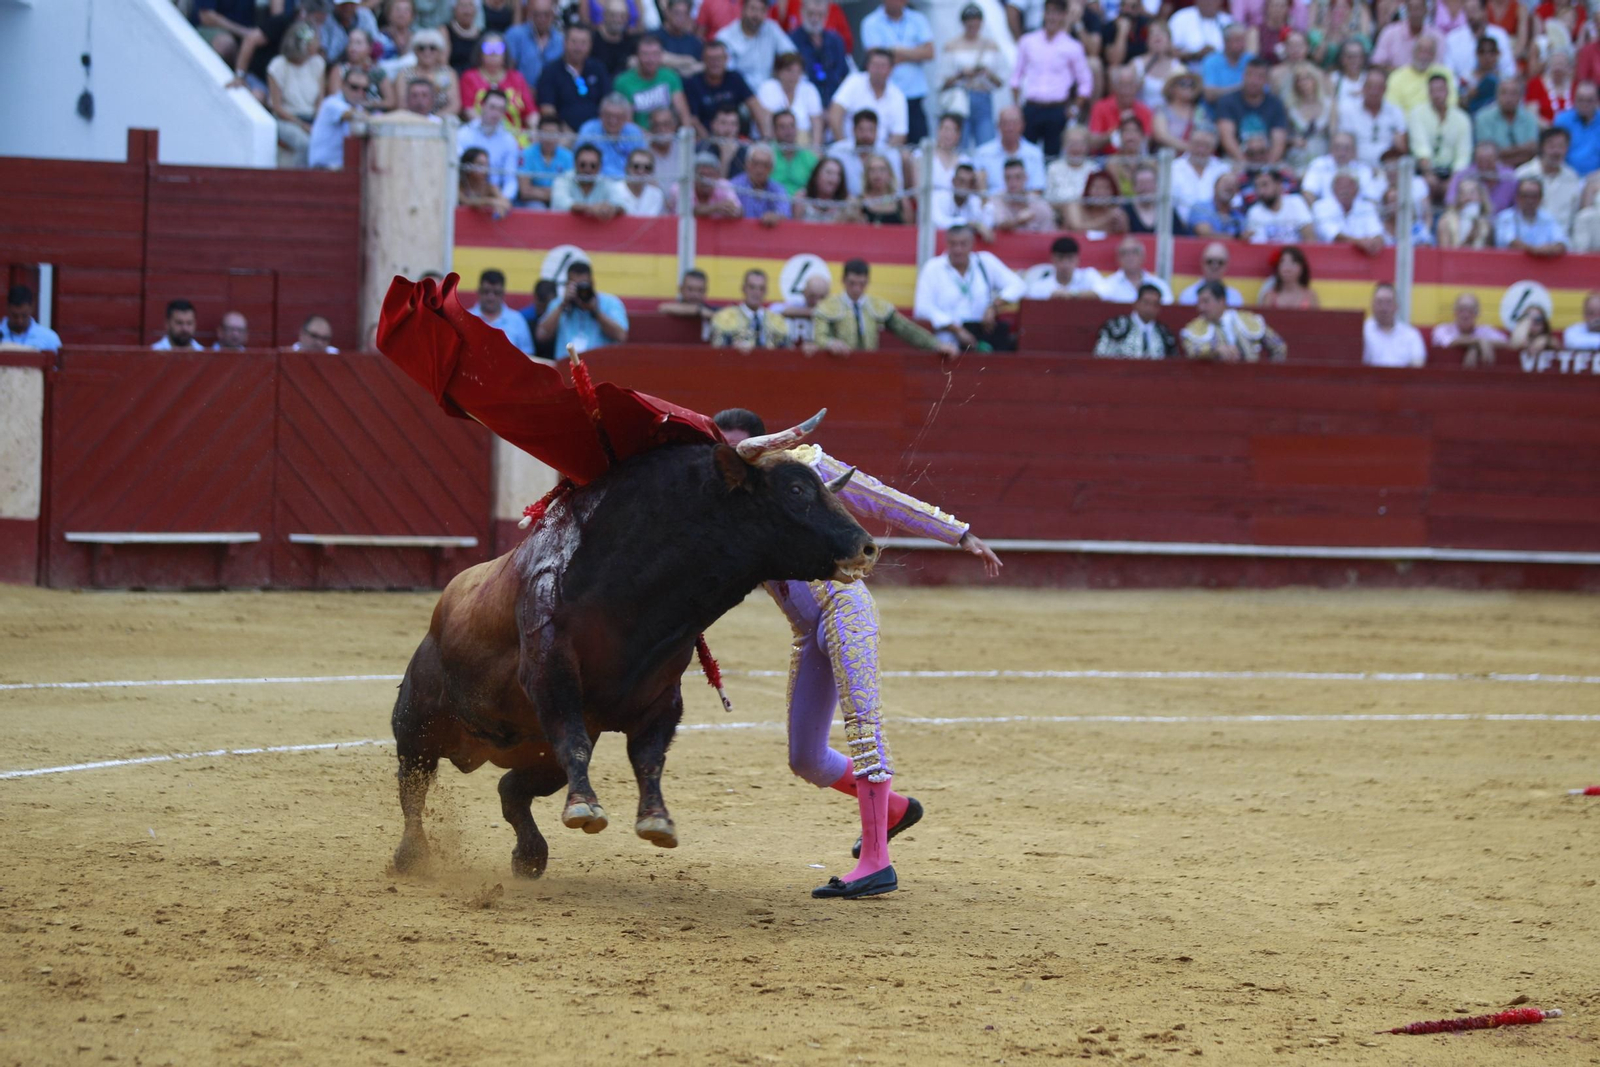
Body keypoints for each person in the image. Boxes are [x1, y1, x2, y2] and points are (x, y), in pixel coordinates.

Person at [709, 407, 1002, 900]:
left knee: (864, 728)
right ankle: (893, 810)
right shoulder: (727, 504)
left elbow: (877, 497)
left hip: (845, 607)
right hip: (808, 632)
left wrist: (959, 533)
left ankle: (875, 863)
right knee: (806, 759)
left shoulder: (802, 467)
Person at [912, 225, 1026, 350]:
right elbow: (922, 308)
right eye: (953, 244)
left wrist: (994, 306)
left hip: (982, 336)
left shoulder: (985, 262)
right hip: (947, 342)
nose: (958, 249)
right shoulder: (933, 268)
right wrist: (956, 329)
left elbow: (1019, 286)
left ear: (972, 244)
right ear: (947, 244)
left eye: (963, 244)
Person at [812, 259, 956, 356]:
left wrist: (936, 345)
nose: (857, 289)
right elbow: (819, 336)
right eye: (852, 283)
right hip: (837, 368)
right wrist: (830, 343)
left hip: (870, 368)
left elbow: (906, 329)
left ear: (868, 281)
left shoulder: (877, 306)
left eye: (861, 284)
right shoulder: (827, 307)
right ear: (843, 280)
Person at [1011, 0, 1094, 158]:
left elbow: (1085, 82)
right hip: (1031, 107)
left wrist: (1075, 108)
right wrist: (1017, 106)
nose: (1052, 17)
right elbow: (1016, 77)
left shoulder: (1072, 46)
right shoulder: (1027, 42)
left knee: (1053, 157)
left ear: (1064, 16)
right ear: (1043, 13)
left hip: (1057, 109)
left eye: (1056, 13)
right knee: (1026, 155)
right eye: (1049, 12)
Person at [860, 0, 935, 145]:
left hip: (914, 95)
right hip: (885, 96)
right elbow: (876, 57)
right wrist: (914, 52)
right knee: (885, 146)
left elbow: (929, 52)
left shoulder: (918, 19)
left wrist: (897, 51)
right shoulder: (870, 22)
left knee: (919, 147)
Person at [940, 4, 1006, 150]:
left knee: (987, 145)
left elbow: (1001, 81)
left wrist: (986, 73)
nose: (972, 24)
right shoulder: (952, 45)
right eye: (969, 20)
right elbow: (942, 81)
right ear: (963, 23)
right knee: (959, 145)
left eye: (976, 20)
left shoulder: (991, 45)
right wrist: (962, 74)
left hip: (983, 97)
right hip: (961, 98)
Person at [533, 261, 629, 356]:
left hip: (599, 366)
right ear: (568, 285)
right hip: (566, 366)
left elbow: (621, 336)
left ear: (592, 284)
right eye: (576, 287)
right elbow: (541, 336)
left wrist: (595, 312)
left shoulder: (609, 303)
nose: (580, 292)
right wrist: (563, 305)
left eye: (583, 286)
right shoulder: (559, 304)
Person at [1180, 280, 1288, 361]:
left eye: (1206, 302)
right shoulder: (1193, 328)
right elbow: (1191, 351)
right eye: (1199, 303)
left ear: (1221, 301)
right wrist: (1214, 350)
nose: (1201, 308)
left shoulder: (1248, 320)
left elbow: (1279, 346)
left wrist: (1268, 375)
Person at [267, 22, 326, 167]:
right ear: (304, 45)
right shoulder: (278, 65)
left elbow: (320, 100)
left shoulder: (318, 63)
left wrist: (318, 123)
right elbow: (277, 107)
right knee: (305, 143)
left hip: (313, 119)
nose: (318, 43)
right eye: (314, 41)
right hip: (288, 120)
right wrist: (302, 125)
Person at [828, 49, 908, 148]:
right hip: (849, 147)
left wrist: (883, 155)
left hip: (882, 152)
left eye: (882, 66)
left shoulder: (898, 95)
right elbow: (835, 113)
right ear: (867, 66)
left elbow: (900, 134)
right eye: (874, 65)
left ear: (891, 69)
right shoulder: (854, 81)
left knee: (906, 156)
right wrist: (843, 144)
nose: (878, 70)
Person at [537, 24, 610, 131]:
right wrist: (565, 131)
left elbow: (607, 102)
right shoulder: (551, 71)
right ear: (565, 43)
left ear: (590, 45)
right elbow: (547, 109)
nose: (578, 48)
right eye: (574, 42)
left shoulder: (598, 69)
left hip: (597, 131)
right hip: (563, 133)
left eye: (583, 43)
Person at [684, 40, 764, 138]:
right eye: (710, 59)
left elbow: (755, 105)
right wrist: (708, 143)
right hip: (704, 138)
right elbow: (693, 119)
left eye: (718, 58)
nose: (715, 63)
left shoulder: (735, 78)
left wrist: (766, 138)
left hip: (734, 136)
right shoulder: (693, 83)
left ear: (726, 59)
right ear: (703, 60)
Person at [1215, 58, 1289, 163]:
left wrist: (1266, 168)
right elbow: (1227, 138)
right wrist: (1246, 166)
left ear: (1267, 80)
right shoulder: (1227, 101)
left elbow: (1278, 142)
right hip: (1234, 160)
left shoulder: (1276, 104)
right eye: (1250, 75)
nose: (1253, 81)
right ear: (1243, 76)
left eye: (1259, 77)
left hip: (1267, 160)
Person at [1336, 68, 1409, 168]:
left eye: (1378, 87)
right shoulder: (1349, 110)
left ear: (1385, 89)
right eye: (1370, 86)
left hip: (1388, 167)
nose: (1374, 91)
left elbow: (1402, 147)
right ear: (1363, 88)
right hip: (1356, 166)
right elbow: (1345, 143)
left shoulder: (1395, 112)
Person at [458, 90, 521, 202]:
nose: (496, 113)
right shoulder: (463, 134)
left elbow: (510, 179)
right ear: (482, 106)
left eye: (501, 109)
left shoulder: (509, 141)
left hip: (497, 196)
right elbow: (458, 172)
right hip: (466, 197)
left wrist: (504, 200)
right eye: (492, 107)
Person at [460, 32, 534, 129]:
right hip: (481, 132)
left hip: (515, 138)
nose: (493, 53)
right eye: (488, 49)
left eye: (498, 49)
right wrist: (491, 132)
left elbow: (531, 113)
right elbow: (468, 110)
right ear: (480, 53)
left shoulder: (517, 78)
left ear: (505, 54)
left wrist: (534, 129)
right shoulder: (469, 77)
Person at [717, 0, 799, 85]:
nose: (757, 15)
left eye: (762, 10)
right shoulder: (726, 36)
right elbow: (726, 75)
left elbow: (791, 55)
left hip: (769, 91)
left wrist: (780, 71)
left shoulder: (771, 29)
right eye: (753, 9)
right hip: (739, 92)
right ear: (743, 9)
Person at [789, 0, 852, 108]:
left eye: (819, 14)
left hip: (834, 103)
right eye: (811, 13)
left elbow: (844, 75)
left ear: (826, 15)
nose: (815, 19)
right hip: (803, 104)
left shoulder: (835, 40)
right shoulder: (791, 41)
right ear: (802, 12)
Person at [1516, 128, 1582, 230]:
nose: (1556, 151)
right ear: (1541, 147)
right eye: (1551, 146)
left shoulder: (1572, 177)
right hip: (1526, 240)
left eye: (1561, 146)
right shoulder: (1522, 174)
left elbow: (1575, 215)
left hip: (1562, 240)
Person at [308, 66, 371, 170]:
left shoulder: (358, 108)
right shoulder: (331, 103)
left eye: (365, 89)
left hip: (340, 168)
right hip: (323, 168)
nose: (360, 93)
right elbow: (352, 115)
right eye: (354, 87)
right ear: (343, 85)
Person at [709, 269, 790, 348]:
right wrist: (732, 347)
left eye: (761, 288)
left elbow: (787, 352)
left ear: (765, 291)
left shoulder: (777, 321)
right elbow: (717, 350)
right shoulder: (725, 318)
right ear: (743, 288)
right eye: (752, 287)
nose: (756, 292)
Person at [1094, 284, 1180, 358]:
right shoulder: (1116, 326)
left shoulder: (1165, 333)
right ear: (1136, 303)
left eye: (1155, 304)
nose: (1150, 308)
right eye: (1146, 303)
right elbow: (1101, 355)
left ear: (1160, 308)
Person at [974, 106, 1047, 192]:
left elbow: (1037, 189)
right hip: (991, 202)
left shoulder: (1034, 153)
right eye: (1005, 123)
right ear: (998, 126)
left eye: (1014, 123)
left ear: (1022, 125)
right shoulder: (982, 153)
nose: (1010, 128)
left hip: (1025, 203)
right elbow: (977, 189)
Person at [758, 53, 825, 145]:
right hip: (775, 141)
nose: (794, 75)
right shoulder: (768, 87)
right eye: (789, 70)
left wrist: (816, 148)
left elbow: (817, 122)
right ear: (778, 71)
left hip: (804, 142)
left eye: (798, 72)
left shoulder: (809, 89)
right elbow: (766, 120)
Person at [577, 93, 647, 178]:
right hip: (597, 183)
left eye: (618, 117)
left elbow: (644, 162)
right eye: (608, 115)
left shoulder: (634, 132)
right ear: (600, 114)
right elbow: (580, 162)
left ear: (626, 117)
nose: (612, 121)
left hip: (628, 183)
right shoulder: (589, 130)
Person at [1495, 177, 1570, 256]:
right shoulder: (1505, 217)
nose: (1530, 200)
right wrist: (1536, 250)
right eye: (1525, 196)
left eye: (1534, 196)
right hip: (1510, 265)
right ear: (1517, 197)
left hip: (1543, 265)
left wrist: (1550, 249)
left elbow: (1561, 243)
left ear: (1541, 198)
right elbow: (1511, 242)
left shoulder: (1548, 218)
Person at [1089, 66, 1155, 155]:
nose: (1126, 90)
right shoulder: (1100, 107)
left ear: (1137, 87)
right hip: (1106, 158)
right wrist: (1119, 127)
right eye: (1122, 85)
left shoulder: (1145, 111)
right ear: (1115, 87)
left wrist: (1132, 129)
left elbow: (1146, 144)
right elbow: (1093, 143)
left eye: (1130, 85)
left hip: (1135, 160)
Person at [1313, 170, 1384, 250]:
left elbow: (1377, 233)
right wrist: (1359, 242)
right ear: (1333, 190)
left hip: (1364, 258)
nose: (1344, 190)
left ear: (1357, 190)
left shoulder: (1367, 206)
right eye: (1340, 186)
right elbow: (1331, 234)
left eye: (1349, 186)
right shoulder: (1320, 206)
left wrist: (1376, 241)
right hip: (1330, 257)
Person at [325, 27, 394, 110]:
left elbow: (391, 101)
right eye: (350, 43)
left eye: (358, 43)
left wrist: (368, 104)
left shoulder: (377, 71)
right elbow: (334, 100)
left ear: (369, 48)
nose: (353, 48)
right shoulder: (340, 69)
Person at [469, 269, 535, 355]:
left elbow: (528, 356)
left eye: (496, 293)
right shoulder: (466, 318)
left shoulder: (517, 320)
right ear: (478, 291)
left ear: (503, 293)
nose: (491, 298)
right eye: (486, 292)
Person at [1431, 292, 1507, 365]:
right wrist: (1479, 342)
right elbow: (1450, 342)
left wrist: (1474, 348)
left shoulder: (1484, 330)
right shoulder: (1442, 329)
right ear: (1455, 311)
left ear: (1477, 313)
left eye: (1470, 310)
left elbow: (1506, 342)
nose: (1465, 314)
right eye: (1461, 309)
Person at [551, 143, 624, 218]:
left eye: (593, 166)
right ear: (575, 164)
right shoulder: (563, 179)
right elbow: (561, 203)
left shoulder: (606, 182)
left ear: (600, 167)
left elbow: (622, 205)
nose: (587, 169)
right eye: (583, 165)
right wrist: (591, 209)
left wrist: (612, 209)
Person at [1362, 282, 1425, 367]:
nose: (1384, 308)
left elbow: (1418, 364)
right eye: (1379, 302)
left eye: (1389, 302)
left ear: (1396, 306)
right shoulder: (1362, 332)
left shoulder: (1411, 334)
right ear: (1372, 305)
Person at [1243, 167, 1314, 242]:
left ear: (1278, 184)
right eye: (1257, 186)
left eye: (1265, 185)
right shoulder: (1254, 212)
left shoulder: (1296, 203)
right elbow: (1258, 245)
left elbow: (1310, 239)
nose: (1261, 191)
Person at [519, 114, 576, 207]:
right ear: (538, 133)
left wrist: (537, 190)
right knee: (536, 207)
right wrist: (555, 194)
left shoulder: (568, 157)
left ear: (560, 135)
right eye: (545, 133)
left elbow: (571, 191)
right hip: (534, 202)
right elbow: (525, 191)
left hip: (561, 203)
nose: (549, 139)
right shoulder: (526, 154)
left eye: (553, 134)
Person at [504, 0, 564, 88]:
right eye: (537, 14)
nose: (542, 19)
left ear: (553, 15)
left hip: (553, 96)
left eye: (546, 15)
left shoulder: (561, 40)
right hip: (519, 93)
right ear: (529, 14)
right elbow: (507, 70)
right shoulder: (514, 35)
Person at [1096, 236, 1174, 303]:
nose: (1130, 257)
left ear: (1143, 256)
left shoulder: (1159, 285)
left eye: (1134, 252)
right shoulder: (1108, 284)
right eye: (1124, 253)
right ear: (1118, 259)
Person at [731, 144, 792, 224]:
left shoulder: (778, 189)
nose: (760, 170)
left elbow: (785, 213)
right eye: (755, 163)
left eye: (765, 165)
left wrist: (776, 216)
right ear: (747, 164)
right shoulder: (734, 185)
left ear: (772, 169)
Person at [989, 157, 1053, 232]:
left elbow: (1047, 236)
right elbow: (1000, 225)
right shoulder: (997, 199)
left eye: (1018, 177)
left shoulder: (1039, 204)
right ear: (1004, 179)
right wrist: (1018, 221)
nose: (1013, 183)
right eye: (1008, 178)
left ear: (1025, 178)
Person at [931, 163, 995, 236]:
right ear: (953, 181)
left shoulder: (974, 201)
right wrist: (969, 224)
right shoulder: (938, 197)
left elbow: (987, 225)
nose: (965, 187)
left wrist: (983, 192)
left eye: (969, 183)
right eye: (961, 181)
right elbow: (937, 222)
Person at [1028, 236, 1102, 299]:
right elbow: (1031, 295)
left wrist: (1073, 294)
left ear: (1077, 259)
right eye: (1060, 258)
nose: (1065, 264)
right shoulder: (1041, 285)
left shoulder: (1089, 275)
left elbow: (1104, 292)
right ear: (1052, 259)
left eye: (1070, 258)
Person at [1554, 82, 1600, 177]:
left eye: (1589, 101)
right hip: (1565, 175)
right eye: (1581, 100)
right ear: (1574, 100)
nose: (1584, 104)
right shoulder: (1562, 120)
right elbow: (1555, 152)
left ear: (1597, 101)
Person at [1435, 175, 1495, 247]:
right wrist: (1469, 239)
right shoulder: (1446, 222)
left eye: (1472, 193)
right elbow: (1444, 254)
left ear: (1481, 197)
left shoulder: (1487, 225)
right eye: (1463, 193)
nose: (1468, 198)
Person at [1177, 243, 1244, 305]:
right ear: (1202, 263)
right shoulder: (1188, 295)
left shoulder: (1235, 298)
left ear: (1226, 265)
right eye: (1210, 261)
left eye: (1220, 262)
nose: (1215, 266)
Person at [658, 269, 718, 339]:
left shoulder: (713, 311)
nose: (695, 294)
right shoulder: (673, 310)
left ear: (705, 291)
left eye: (700, 290)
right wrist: (699, 310)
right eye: (690, 289)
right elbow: (662, 308)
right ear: (680, 289)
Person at [796, 156, 859, 222]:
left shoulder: (847, 202)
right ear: (816, 175)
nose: (834, 179)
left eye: (838, 174)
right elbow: (795, 227)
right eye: (829, 173)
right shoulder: (802, 198)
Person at [770, 111, 819, 194]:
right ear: (774, 131)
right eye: (782, 127)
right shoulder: (766, 154)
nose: (788, 131)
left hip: (802, 203)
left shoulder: (809, 157)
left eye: (792, 126)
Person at [1, 286, 62, 352]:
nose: (19, 321)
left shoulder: (49, 338)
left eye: (24, 315)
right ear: (7, 308)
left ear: (32, 308)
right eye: (14, 316)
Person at [1188, 169, 1246, 236]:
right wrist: (1237, 237)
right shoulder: (1200, 208)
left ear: (1237, 192)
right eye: (1225, 183)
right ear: (1215, 186)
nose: (1229, 186)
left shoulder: (1238, 217)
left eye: (1233, 185)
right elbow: (1205, 234)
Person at [859, 154, 912, 225]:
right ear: (866, 175)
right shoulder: (859, 202)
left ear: (889, 174)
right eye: (872, 170)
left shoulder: (902, 201)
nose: (877, 174)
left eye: (882, 169)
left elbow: (909, 229)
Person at [590, 0, 639, 78]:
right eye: (613, 15)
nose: (618, 19)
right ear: (604, 15)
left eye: (622, 16)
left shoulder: (632, 42)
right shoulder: (591, 41)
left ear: (627, 18)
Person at [460, 146, 514, 216]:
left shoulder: (490, 187)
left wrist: (501, 206)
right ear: (468, 166)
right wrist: (491, 201)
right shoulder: (458, 186)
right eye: (480, 165)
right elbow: (467, 202)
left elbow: (505, 202)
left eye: (487, 165)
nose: (485, 169)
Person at [615, 148, 666, 216]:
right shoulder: (614, 190)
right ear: (627, 167)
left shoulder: (657, 194)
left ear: (652, 171)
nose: (641, 171)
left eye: (647, 167)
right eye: (636, 166)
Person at [522, 278, 561, 360]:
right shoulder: (524, 318)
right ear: (536, 299)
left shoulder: (560, 315)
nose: (549, 307)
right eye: (542, 302)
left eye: (551, 304)